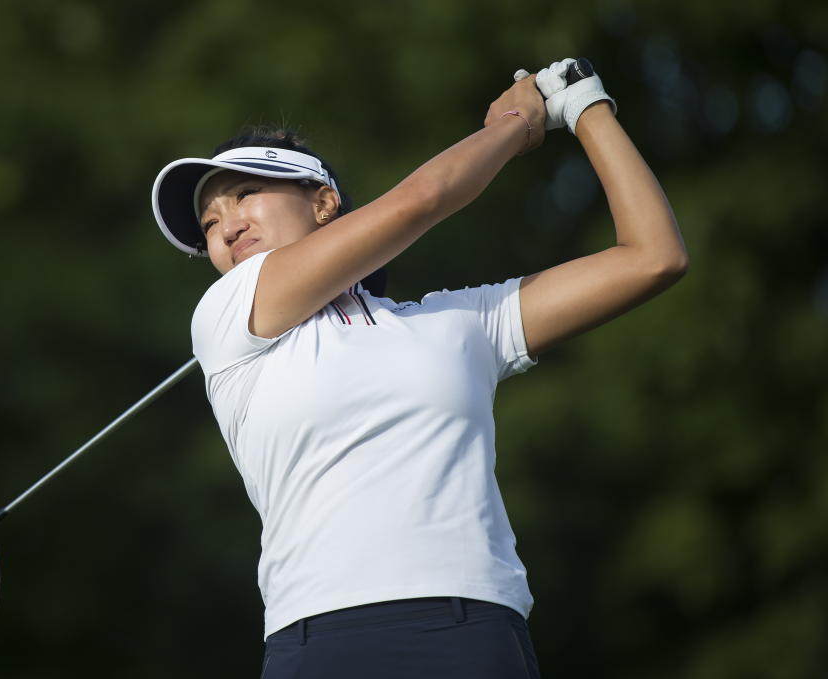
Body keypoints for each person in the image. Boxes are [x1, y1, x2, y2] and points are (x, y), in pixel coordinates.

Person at [150, 59, 687, 679]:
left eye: (245, 194)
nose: (226, 227)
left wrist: (583, 105)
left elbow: (654, 257)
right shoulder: (225, 316)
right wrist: (516, 123)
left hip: (475, 629)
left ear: (324, 203)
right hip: (320, 638)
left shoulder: (457, 323)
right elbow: (423, 200)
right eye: (210, 223)